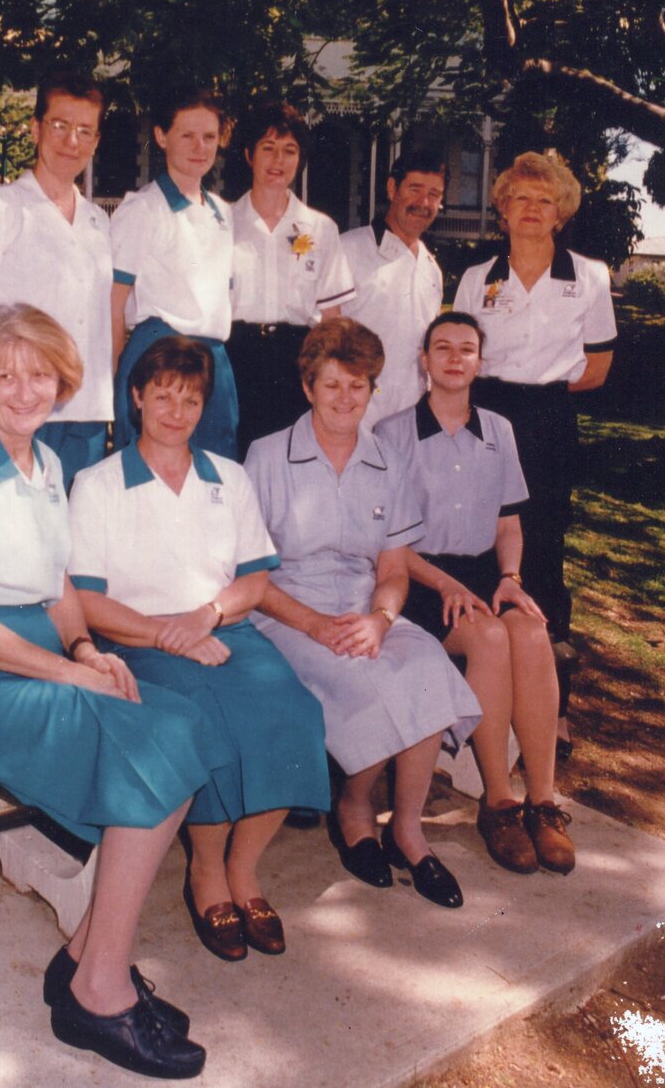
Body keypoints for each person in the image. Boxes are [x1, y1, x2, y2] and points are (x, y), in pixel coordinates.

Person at [0, 305, 214, 1079]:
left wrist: (84, 645)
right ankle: (97, 992)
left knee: (181, 724)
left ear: (62, 382)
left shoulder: (41, 464)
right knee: (146, 748)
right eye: (6, 373)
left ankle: (85, 955)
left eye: (40, 373)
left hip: (30, 649)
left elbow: (58, 580)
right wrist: (68, 671)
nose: (24, 388)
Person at [69, 336, 329, 960]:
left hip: (222, 628)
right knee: (205, 722)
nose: (176, 410)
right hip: (138, 639)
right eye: (162, 395)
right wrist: (167, 634)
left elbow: (255, 580)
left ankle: (245, 866)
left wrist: (206, 616)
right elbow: (85, 600)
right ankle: (206, 870)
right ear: (136, 398)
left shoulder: (228, 478)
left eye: (190, 398)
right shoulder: (98, 483)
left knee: (295, 713)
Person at [245, 319, 481, 908]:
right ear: (308, 388)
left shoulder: (385, 460)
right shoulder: (268, 456)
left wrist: (380, 618)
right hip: (285, 612)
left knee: (423, 659)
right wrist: (317, 626)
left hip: (363, 609)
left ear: (373, 390)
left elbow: (394, 569)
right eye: (332, 386)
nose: (346, 399)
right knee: (365, 673)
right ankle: (355, 806)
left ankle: (407, 828)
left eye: (358, 386)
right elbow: (248, 577)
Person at [376, 313, 574, 874]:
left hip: (488, 574)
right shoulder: (393, 433)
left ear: (480, 363)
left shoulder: (499, 430)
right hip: (419, 577)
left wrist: (510, 577)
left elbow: (510, 521)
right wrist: (445, 583)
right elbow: (386, 540)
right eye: (443, 348)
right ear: (424, 360)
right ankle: (498, 803)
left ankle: (542, 801)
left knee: (531, 633)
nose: (455, 357)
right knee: (488, 637)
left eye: (467, 349)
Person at [454, 152, 616, 753]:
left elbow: (597, 367)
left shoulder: (591, 276)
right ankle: (475, 697)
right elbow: (460, 353)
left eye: (544, 201)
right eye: (519, 198)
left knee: (543, 549)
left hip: (548, 417)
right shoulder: (477, 278)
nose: (531, 210)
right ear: (501, 210)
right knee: (475, 544)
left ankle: (555, 708)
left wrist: (538, 389)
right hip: (486, 412)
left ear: (561, 213)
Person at [0, 72, 112, 491]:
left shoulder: (99, 222)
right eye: (60, 126)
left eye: (84, 131)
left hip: (87, 416)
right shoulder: (1, 206)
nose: (71, 142)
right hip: (18, 411)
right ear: (36, 127)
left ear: (96, 140)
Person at [110, 88, 238, 458]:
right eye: (187, 135)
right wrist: (120, 378)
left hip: (213, 360)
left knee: (214, 472)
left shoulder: (222, 213)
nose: (200, 147)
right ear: (161, 136)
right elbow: (113, 304)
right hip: (158, 356)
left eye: (209, 137)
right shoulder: (142, 210)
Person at [227, 101, 355, 458]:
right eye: (268, 148)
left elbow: (333, 319)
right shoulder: (222, 222)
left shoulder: (320, 228)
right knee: (237, 459)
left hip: (296, 359)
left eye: (289, 151)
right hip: (235, 355)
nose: (278, 161)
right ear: (249, 154)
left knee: (291, 463)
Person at [339, 148, 446, 425]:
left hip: (413, 421)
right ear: (391, 188)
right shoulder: (348, 249)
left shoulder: (432, 268)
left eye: (434, 195)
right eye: (414, 189)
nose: (424, 202)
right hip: (356, 416)